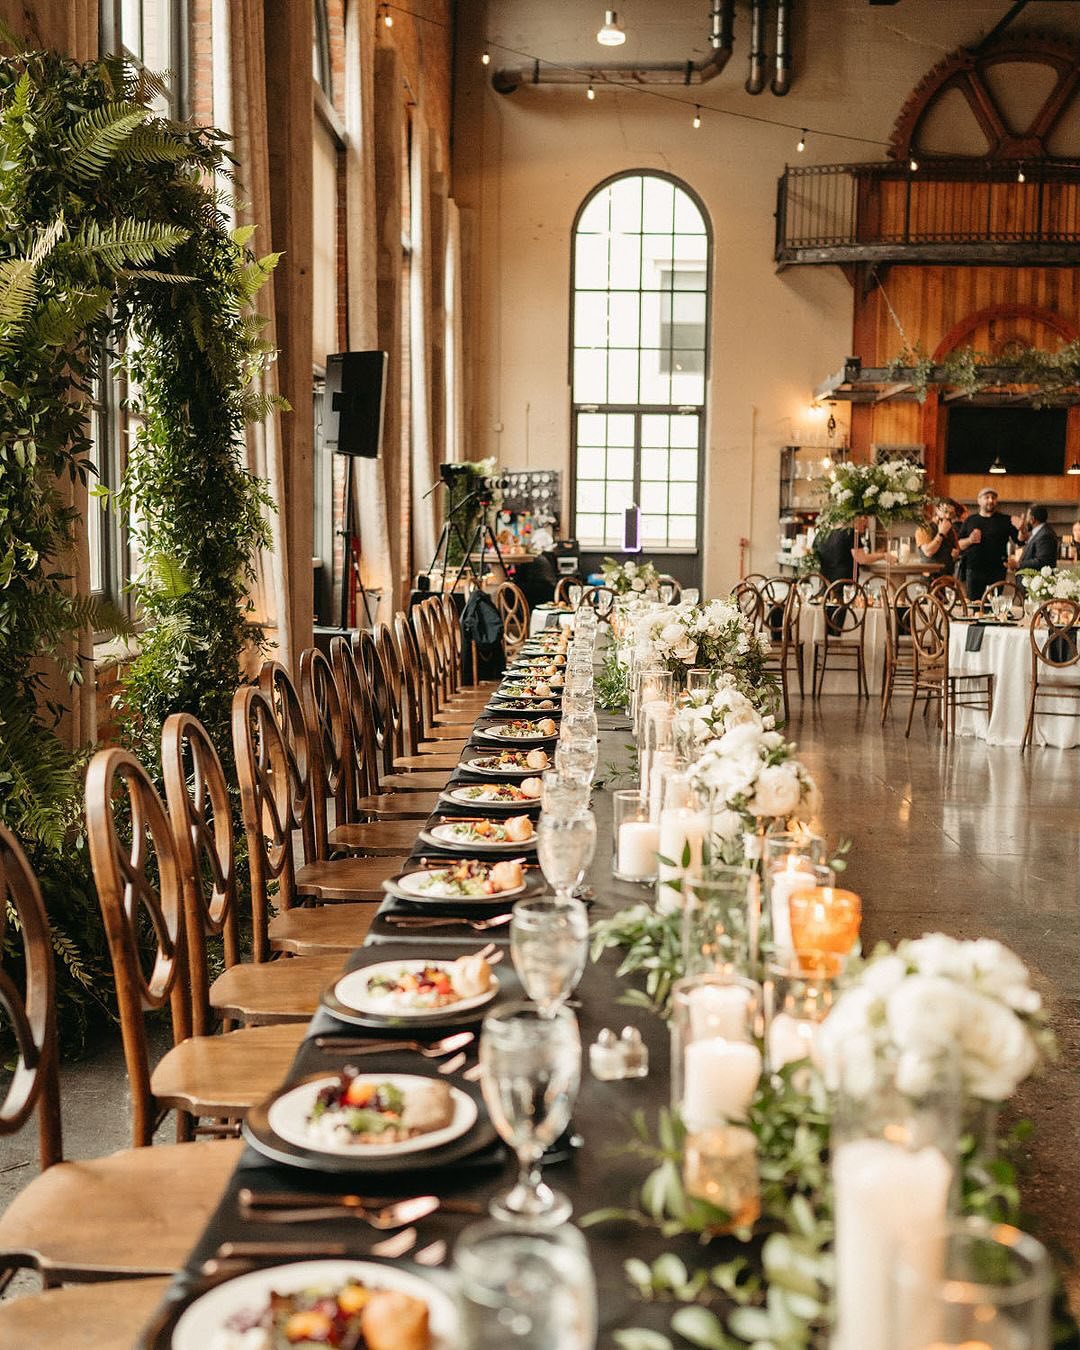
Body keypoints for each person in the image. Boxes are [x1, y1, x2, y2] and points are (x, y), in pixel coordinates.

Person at [956, 487, 1019, 601]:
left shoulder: (1005, 520)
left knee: (995, 606)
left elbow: (1020, 540)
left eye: (993, 498)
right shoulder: (970, 520)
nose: (990, 500)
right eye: (987, 497)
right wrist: (970, 540)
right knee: (974, 605)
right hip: (974, 570)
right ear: (979, 501)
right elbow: (958, 545)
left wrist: (1022, 530)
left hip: (998, 570)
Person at [816, 515, 887, 584]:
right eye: (865, 525)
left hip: (826, 586)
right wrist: (884, 555)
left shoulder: (821, 534)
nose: (867, 525)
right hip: (845, 586)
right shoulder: (850, 533)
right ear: (857, 518)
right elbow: (862, 559)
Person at [1010, 504, 1059, 576]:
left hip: (1037, 583)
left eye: (1027, 518)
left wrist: (1018, 564)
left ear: (1032, 519)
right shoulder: (1039, 532)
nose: (1026, 521)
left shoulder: (1045, 535)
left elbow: (1042, 561)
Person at [915, 500, 959, 576]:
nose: (948, 516)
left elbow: (957, 550)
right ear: (937, 510)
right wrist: (941, 534)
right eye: (945, 512)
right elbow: (928, 552)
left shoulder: (952, 530)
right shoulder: (924, 529)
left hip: (947, 576)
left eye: (951, 514)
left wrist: (955, 554)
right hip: (929, 577)